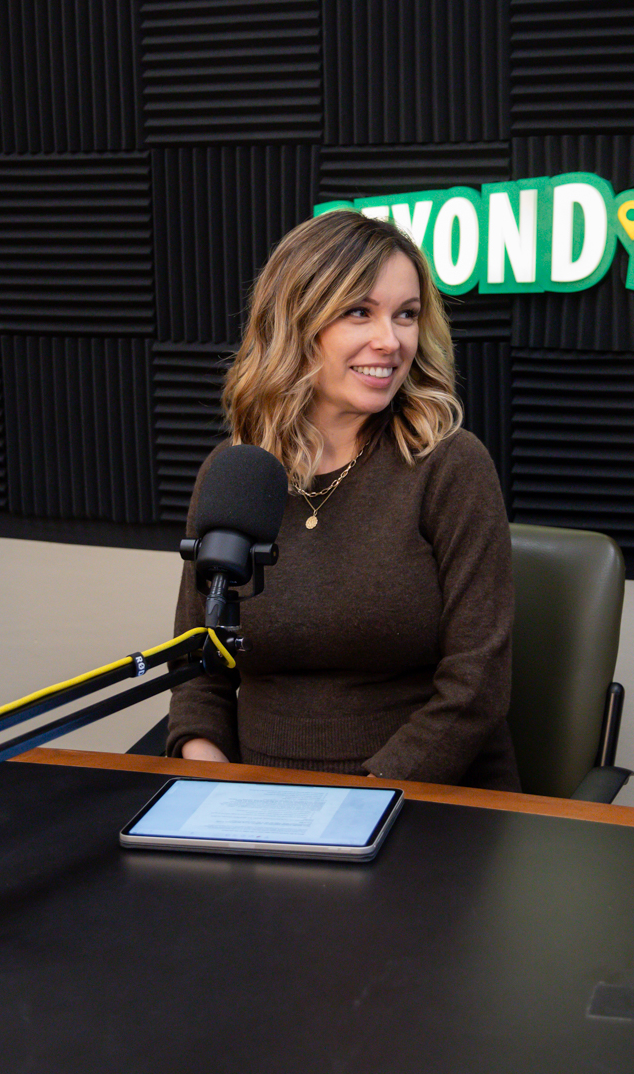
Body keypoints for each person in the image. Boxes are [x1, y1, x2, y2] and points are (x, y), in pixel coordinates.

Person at [165, 209, 519, 789]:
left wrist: (360, 799)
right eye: (360, 312)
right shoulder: (237, 473)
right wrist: (212, 778)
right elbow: (196, 664)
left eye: (406, 315)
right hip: (253, 798)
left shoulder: (451, 466)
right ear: (296, 323)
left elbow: (476, 686)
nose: (391, 340)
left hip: (421, 796)